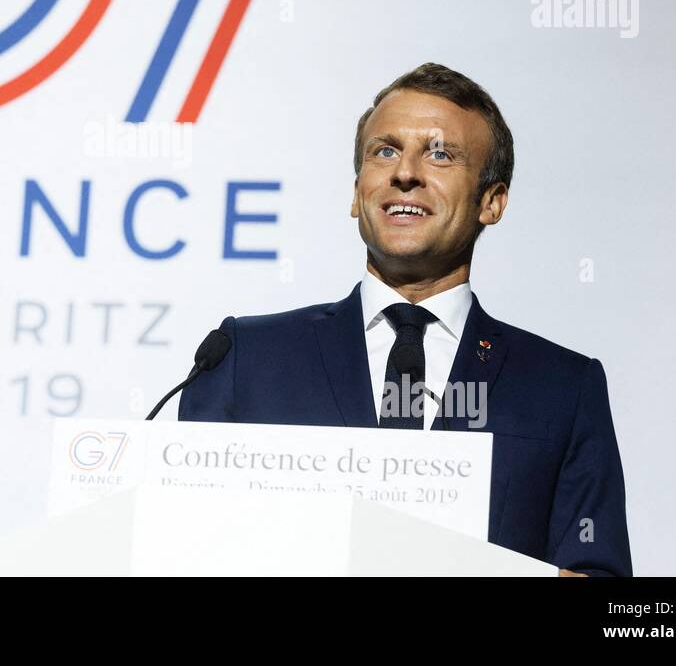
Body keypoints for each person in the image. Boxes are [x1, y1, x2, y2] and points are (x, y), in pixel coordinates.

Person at [179, 62, 631, 576]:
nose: (405, 172)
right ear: (356, 192)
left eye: (440, 154)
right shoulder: (245, 357)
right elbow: (181, 545)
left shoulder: (563, 388)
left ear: (493, 200)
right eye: (385, 150)